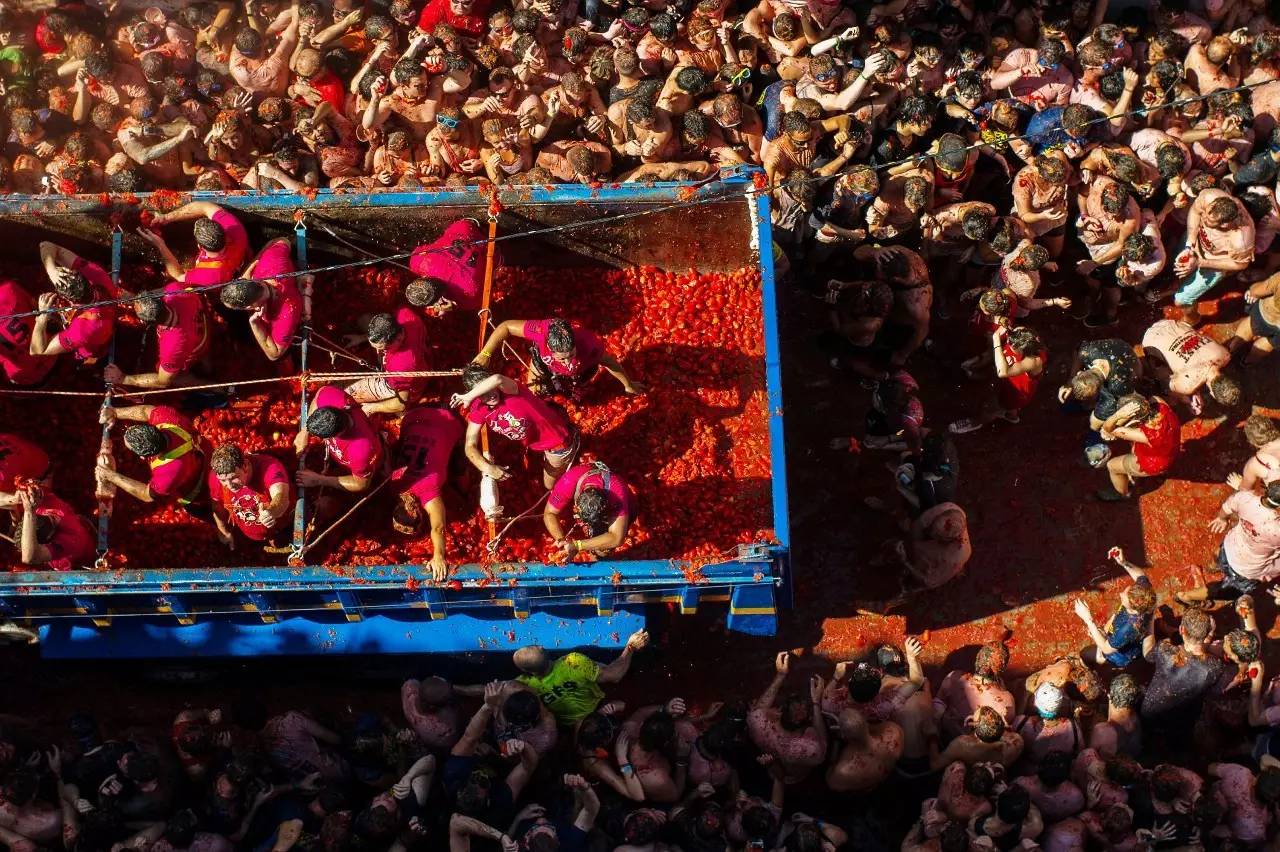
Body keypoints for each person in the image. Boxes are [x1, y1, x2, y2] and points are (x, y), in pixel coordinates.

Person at [450, 367, 577, 490]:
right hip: (532, 441)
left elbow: (497, 378)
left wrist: (468, 395)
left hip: (556, 443)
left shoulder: (511, 390)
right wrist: (488, 468)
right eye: (483, 394)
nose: (491, 395)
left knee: (549, 486)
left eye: (489, 388)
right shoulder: (479, 408)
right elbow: (470, 445)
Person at [476, 317, 644, 399]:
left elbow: (610, 363)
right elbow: (505, 327)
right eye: (562, 358)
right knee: (533, 396)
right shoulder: (541, 331)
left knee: (579, 392)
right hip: (543, 365)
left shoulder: (589, 345)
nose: (568, 361)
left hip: (579, 373)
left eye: (571, 355)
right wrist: (485, 354)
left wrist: (628, 385)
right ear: (548, 346)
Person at [510, 629, 649, 725]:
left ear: (524, 671)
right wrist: (630, 647)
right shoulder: (573, 662)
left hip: (566, 724)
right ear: (544, 649)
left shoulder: (523, 686)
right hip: (598, 709)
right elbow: (615, 676)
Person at [390, 405, 465, 581]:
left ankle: (465, 484)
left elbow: (438, 527)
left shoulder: (429, 492)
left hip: (448, 420)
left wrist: (439, 556)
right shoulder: (392, 484)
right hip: (412, 416)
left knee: (460, 469)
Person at [27, 241, 124, 368]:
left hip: (94, 336)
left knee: (90, 353)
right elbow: (45, 245)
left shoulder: (82, 329)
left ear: (72, 301)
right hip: (105, 313)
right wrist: (52, 272)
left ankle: (90, 363)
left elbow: (37, 351)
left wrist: (42, 318)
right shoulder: (95, 274)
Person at [96, 404, 206, 511]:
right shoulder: (166, 417)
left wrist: (111, 476)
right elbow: (145, 411)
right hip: (204, 450)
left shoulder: (169, 473)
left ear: (143, 457)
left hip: (199, 488)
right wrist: (115, 412)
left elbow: (145, 494)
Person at [219, 239, 308, 364]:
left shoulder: (287, 313)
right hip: (282, 286)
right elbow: (283, 240)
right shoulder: (270, 260)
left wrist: (255, 324)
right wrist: (249, 268)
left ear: (249, 306)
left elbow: (275, 354)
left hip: (286, 330)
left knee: (283, 358)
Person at [949, 326, 1047, 434]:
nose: (1009, 344)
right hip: (1009, 383)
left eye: (1013, 346)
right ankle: (1012, 417)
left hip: (1016, 392)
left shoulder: (1034, 361)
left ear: (1024, 351)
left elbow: (1003, 372)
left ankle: (975, 422)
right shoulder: (1023, 333)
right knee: (1010, 407)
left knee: (992, 408)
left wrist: (996, 340)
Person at [1073, 546, 1157, 668]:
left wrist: (1088, 620)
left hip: (1121, 653)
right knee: (1103, 632)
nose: (1120, 594)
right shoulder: (1145, 593)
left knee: (1085, 655)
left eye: (1124, 597)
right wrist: (1124, 563)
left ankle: (1102, 667)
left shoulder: (1128, 628)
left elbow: (1107, 649)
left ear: (1133, 609)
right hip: (1126, 634)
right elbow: (1140, 575)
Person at [295, 384, 384, 493]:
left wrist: (319, 480)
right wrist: (305, 432)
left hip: (359, 468)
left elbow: (361, 483)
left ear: (336, 435)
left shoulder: (361, 449)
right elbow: (319, 395)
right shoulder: (333, 398)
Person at [1139, 318, 1239, 415]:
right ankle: (1146, 366)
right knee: (1171, 396)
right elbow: (1167, 386)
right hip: (1151, 339)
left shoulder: (1225, 355)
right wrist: (1186, 398)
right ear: (1212, 393)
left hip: (1174, 324)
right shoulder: (1187, 386)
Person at [206, 444, 293, 550]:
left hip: (281, 526)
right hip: (245, 530)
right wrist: (223, 530)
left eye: (234, 477)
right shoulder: (214, 478)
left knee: (282, 544)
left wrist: (272, 511)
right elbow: (217, 506)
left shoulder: (269, 467)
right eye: (223, 480)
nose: (229, 485)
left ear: (245, 466)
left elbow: (281, 497)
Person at [1096, 394, 1181, 502]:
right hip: (1169, 449)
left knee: (1112, 466)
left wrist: (1118, 416)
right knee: (1134, 448)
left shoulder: (1145, 435)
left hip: (1153, 462)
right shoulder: (1160, 403)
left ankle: (1122, 493)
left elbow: (1108, 428)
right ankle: (1142, 474)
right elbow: (1152, 397)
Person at [543, 460, 637, 558]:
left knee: (603, 551)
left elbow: (617, 538)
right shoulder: (569, 481)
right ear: (576, 505)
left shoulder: (617, 494)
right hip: (583, 478)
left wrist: (578, 545)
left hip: (620, 503)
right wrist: (561, 540)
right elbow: (549, 513)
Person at [348, 309, 430, 416]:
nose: (379, 352)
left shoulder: (402, 365)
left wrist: (371, 408)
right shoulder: (405, 315)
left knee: (346, 393)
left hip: (405, 384)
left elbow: (402, 403)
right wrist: (363, 338)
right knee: (364, 319)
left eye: (384, 348)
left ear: (399, 338)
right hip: (422, 359)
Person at [934, 641, 1016, 741]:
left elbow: (937, 706)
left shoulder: (954, 677)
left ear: (977, 659)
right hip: (976, 748)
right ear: (1002, 669)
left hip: (946, 738)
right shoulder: (1007, 702)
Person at [406, 217, 489, 314]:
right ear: (421, 278)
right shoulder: (419, 262)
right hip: (465, 226)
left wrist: (453, 306)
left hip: (487, 244)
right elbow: (420, 250)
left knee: (497, 263)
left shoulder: (469, 298)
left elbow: (483, 294)